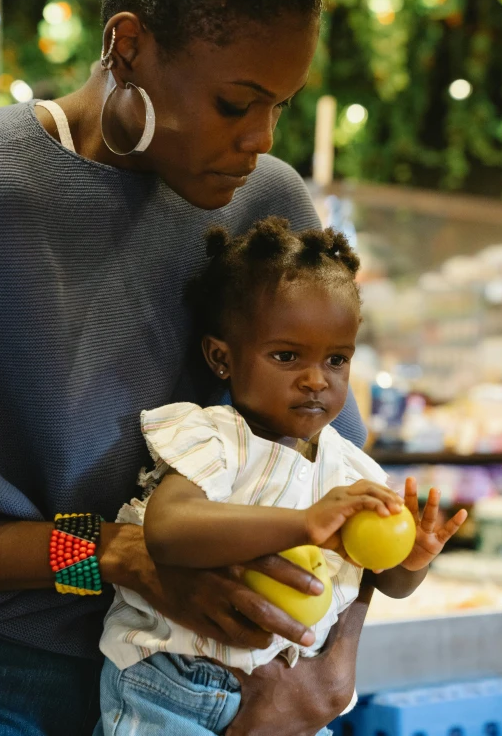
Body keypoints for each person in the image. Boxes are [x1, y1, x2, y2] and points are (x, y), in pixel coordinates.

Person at [0, 0, 443, 735]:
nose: (260, 139)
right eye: (236, 102)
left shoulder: (270, 206)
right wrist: (114, 553)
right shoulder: (6, 192)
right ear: (127, 46)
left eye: (279, 106)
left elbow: (338, 491)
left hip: (229, 690)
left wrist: (328, 671)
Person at [95, 218, 467, 735]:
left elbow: (386, 579)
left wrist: (413, 558)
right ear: (221, 358)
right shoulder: (215, 438)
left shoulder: (354, 469)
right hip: (176, 687)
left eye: (336, 359)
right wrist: (303, 523)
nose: (317, 379)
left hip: (292, 699)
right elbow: (168, 529)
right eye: (287, 356)